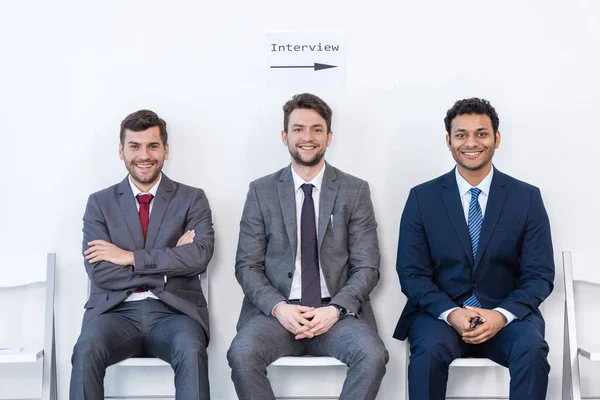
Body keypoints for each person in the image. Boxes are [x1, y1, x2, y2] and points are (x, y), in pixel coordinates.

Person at [227, 93, 388, 400]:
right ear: (285, 136)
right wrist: (279, 308)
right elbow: (247, 266)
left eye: (316, 129)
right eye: (298, 129)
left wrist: (336, 310)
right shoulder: (261, 191)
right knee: (242, 353)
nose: (307, 137)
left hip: (335, 313)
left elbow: (367, 266)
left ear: (329, 137)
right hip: (276, 315)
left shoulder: (354, 191)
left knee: (372, 355)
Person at [394, 98, 555, 399]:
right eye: (461, 134)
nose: (471, 142)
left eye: (481, 133)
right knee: (427, 352)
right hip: (440, 315)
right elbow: (412, 273)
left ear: (497, 138)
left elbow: (540, 275)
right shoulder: (422, 198)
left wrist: (501, 315)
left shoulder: (527, 198)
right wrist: (451, 313)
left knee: (532, 349)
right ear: (449, 141)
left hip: (506, 315)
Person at [70, 109, 214, 400]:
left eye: (152, 146)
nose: (144, 155)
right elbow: (100, 271)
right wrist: (171, 261)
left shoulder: (192, 198)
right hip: (115, 313)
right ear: (121, 151)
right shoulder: (99, 202)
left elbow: (199, 257)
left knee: (191, 348)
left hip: (175, 314)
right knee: (86, 349)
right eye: (134, 146)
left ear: (166, 150)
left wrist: (127, 257)